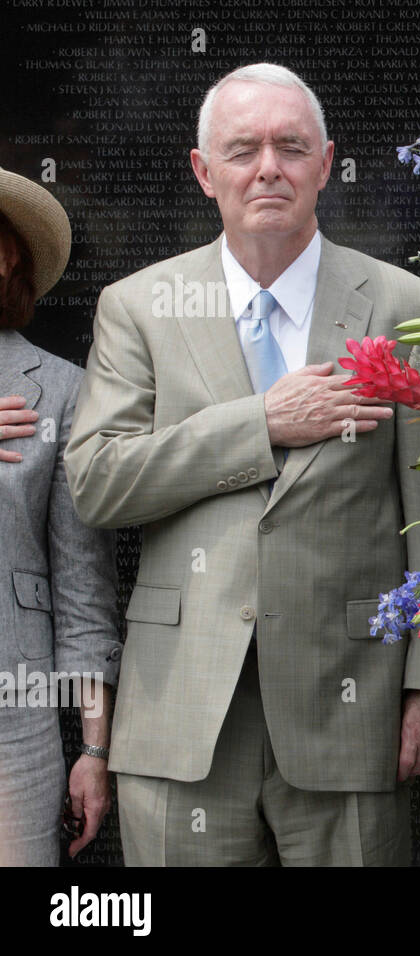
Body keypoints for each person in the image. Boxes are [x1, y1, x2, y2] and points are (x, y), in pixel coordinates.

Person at [64, 64, 420, 866]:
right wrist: (263, 424)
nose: (268, 168)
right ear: (203, 170)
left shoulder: (411, 311)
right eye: (242, 149)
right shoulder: (138, 307)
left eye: (291, 146)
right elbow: (98, 481)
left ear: (325, 163)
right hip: (182, 715)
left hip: (353, 708)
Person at [0, 166, 121, 864]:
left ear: (7, 252)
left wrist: (95, 749)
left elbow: (83, 588)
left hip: (14, 727)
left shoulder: (62, 392)